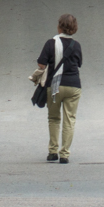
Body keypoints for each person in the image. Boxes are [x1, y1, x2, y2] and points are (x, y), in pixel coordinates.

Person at [37, 14, 83, 163]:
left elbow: (41, 65)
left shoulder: (51, 43)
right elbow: (79, 63)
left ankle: (52, 151)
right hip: (73, 86)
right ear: (74, 28)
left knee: (54, 118)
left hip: (55, 86)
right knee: (70, 119)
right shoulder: (76, 45)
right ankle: (65, 154)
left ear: (59, 26)